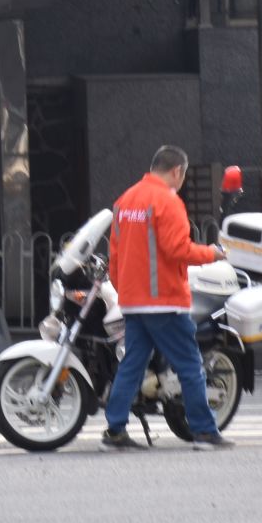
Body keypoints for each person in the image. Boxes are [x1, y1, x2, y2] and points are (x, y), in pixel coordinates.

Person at [101, 145, 232, 452]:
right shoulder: (168, 201)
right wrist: (212, 254)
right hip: (165, 301)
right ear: (177, 171)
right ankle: (204, 432)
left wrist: (125, 292)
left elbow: (115, 255)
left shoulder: (125, 200)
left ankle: (115, 431)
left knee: (131, 365)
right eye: (182, 177)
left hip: (133, 301)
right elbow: (179, 249)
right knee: (190, 365)